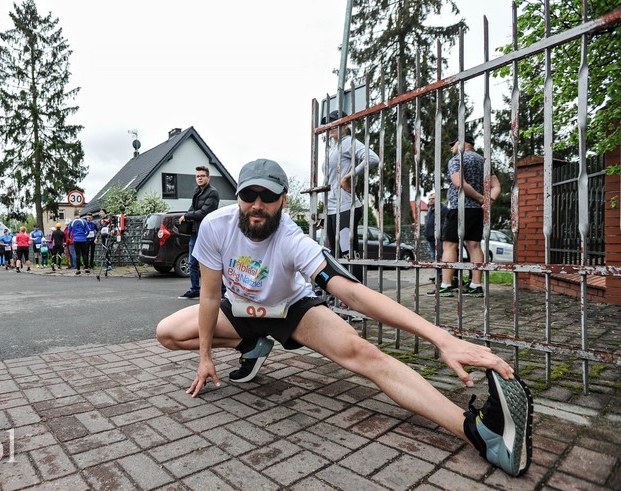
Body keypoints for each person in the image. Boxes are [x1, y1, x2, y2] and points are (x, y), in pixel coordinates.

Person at [156, 158, 533, 478]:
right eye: (249, 195)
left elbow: (350, 292)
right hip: (239, 310)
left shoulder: (292, 238)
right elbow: (208, 295)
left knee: (363, 354)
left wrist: (441, 338)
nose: (257, 205)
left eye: (268, 197)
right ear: (236, 197)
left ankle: (481, 434)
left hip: (290, 309)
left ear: (283, 201)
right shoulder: (214, 226)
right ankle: (251, 343)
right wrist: (205, 356)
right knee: (168, 333)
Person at [432, 134, 500, 298]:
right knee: (474, 245)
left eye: (452, 144)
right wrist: (487, 201)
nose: (451, 148)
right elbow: (496, 186)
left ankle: (446, 286)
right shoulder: (484, 161)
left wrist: (478, 197)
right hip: (477, 210)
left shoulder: (457, 159)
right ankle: (476, 286)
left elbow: (459, 183)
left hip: (460, 208)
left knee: (449, 245)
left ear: (461, 143)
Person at [322, 110, 380, 282]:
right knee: (336, 255)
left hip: (347, 207)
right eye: (329, 123)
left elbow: (372, 158)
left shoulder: (349, 143)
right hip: (332, 208)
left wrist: (349, 176)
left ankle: (355, 293)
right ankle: (340, 294)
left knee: (348, 253)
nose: (331, 126)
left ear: (346, 124)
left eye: (335, 122)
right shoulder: (332, 148)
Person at [178, 165, 220, 299]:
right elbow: (192, 208)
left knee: (212, 262)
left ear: (209, 177)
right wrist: (186, 215)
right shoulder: (197, 191)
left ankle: (223, 289)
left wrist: (187, 216)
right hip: (196, 231)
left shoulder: (213, 192)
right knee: (192, 262)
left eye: (202, 176)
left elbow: (204, 212)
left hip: (208, 232)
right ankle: (195, 290)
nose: (200, 178)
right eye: (197, 176)